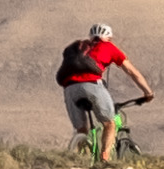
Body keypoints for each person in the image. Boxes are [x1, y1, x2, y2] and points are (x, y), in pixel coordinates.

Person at [56, 22, 151, 158]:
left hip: (70, 88)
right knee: (110, 124)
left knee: (81, 130)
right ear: (109, 38)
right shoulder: (108, 47)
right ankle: (105, 157)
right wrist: (148, 92)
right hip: (92, 85)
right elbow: (132, 71)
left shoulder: (79, 47)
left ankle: (76, 159)